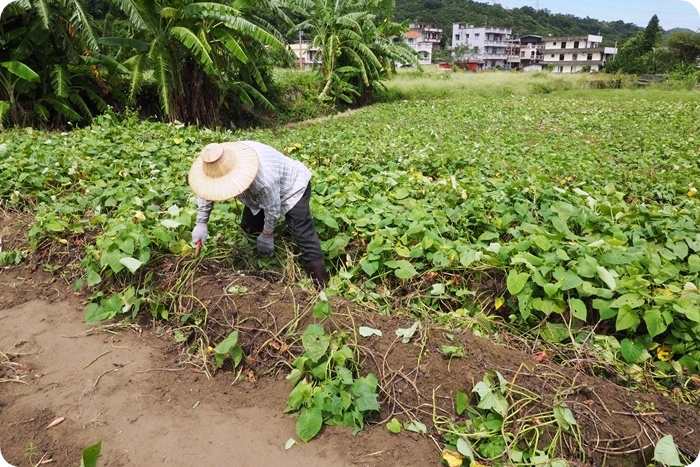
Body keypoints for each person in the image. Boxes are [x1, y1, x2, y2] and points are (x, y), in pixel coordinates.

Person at [188, 140, 328, 288]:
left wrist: (267, 234)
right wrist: (201, 222)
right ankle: (257, 268)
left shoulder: (264, 179)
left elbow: (272, 209)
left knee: (302, 232)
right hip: (255, 195)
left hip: (291, 186)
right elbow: (206, 188)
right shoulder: (218, 161)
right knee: (249, 228)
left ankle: (321, 286)